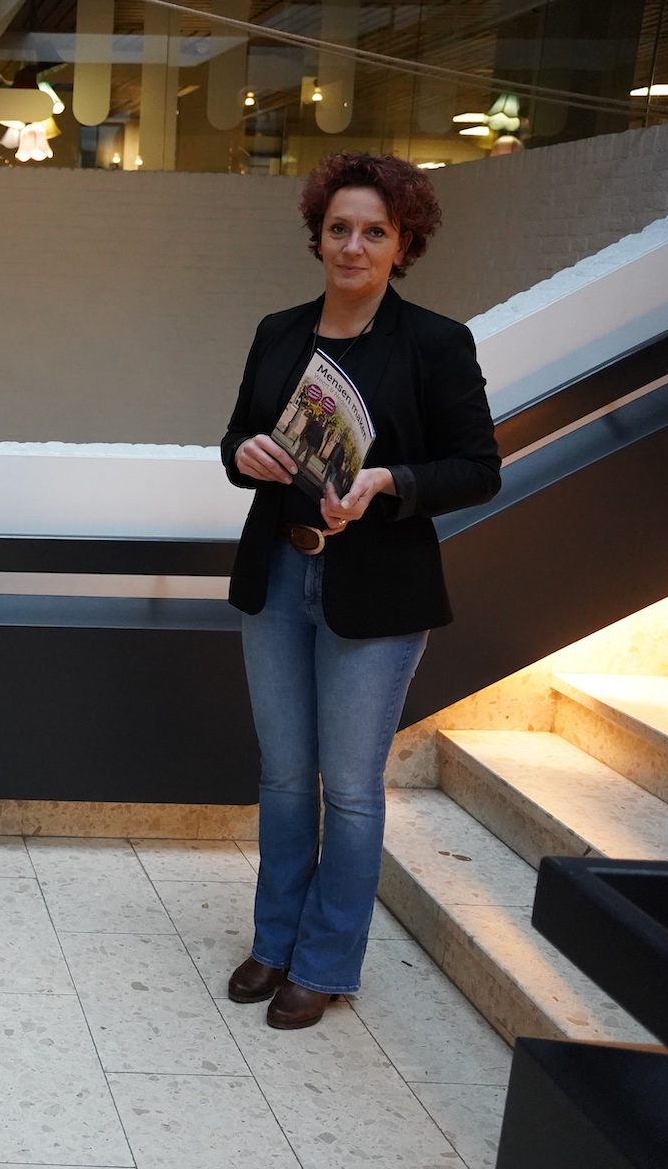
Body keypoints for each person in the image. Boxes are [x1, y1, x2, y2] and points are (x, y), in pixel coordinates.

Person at [220, 152, 500, 1029]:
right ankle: (274, 943)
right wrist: (242, 453)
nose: (353, 246)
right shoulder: (279, 332)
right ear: (319, 236)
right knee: (282, 779)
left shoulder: (435, 344)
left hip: (377, 592)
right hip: (278, 575)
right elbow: (237, 437)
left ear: (403, 244)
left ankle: (327, 961)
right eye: (339, 228)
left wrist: (389, 483)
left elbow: (478, 468)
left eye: (375, 231)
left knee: (347, 787)